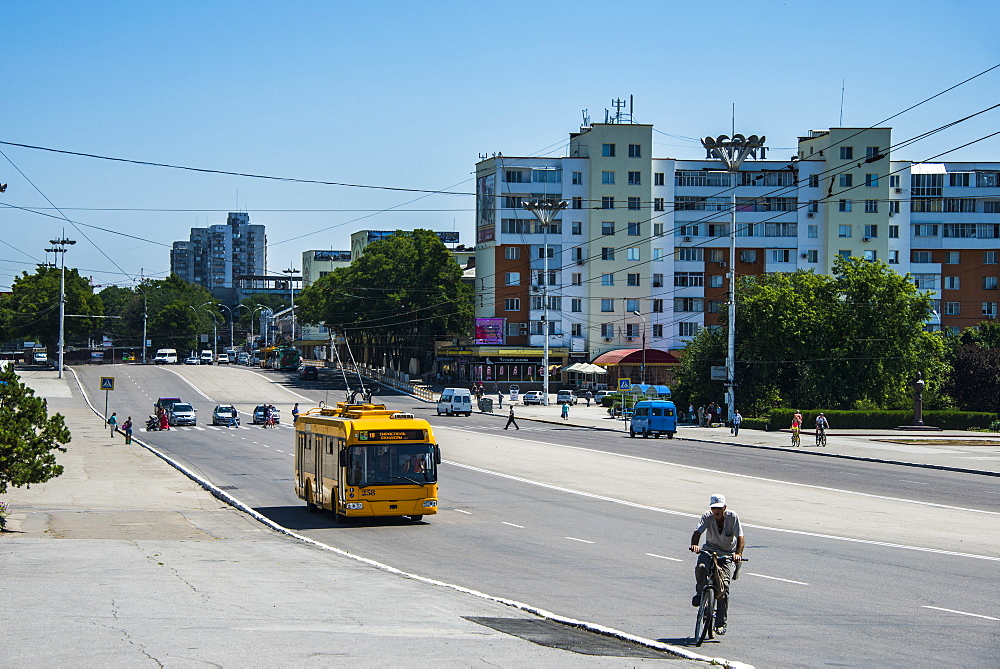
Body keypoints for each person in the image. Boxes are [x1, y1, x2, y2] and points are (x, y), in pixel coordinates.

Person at [689, 493, 745, 637]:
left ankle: (720, 624)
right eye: (714, 508)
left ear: (724, 508)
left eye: (719, 508)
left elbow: (740, 538)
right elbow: (697, 532)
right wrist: (694, 545)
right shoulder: (707, 516)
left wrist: (737, 554)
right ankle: (700, 592)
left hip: (726, 554)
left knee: (723, 588)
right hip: (709, 550)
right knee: (701, 567)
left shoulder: (733, 517)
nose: (716, 511)